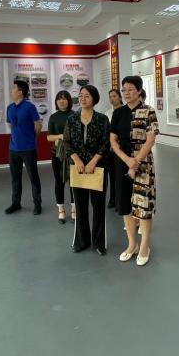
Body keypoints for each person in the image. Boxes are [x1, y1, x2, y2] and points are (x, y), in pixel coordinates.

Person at [110, 75, 158, 266]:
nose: (127, 93)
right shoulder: (118, 112)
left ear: (139, 91)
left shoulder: (149, 111)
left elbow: (151, 139)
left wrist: (135, 161)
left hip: (143, 163)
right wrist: (127, 160)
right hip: (122, 161)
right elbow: (113, 140)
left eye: (131, 89)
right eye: (124, 90)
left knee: (144, 205)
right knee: (125, 205)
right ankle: (132, 244)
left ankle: (144, 245)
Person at [64, 85, 110, 254]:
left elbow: (106, 143)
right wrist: (76, 159)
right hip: (78, 168)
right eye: (81, 95)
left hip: (97, 168)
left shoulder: (102, 119)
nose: (83, 98)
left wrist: (94, 161)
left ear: (94, 99)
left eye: (87, 96)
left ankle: (98, 243)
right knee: (80, 206)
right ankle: (81, 241)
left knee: (98, 206)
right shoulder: (72, 119)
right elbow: (66, 142)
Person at [5, 80, 43, 215]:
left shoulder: (29, 107)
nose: (11, 91)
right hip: (13, 149)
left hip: (28, 149)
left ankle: (37, 204)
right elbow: (10, 125)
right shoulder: (9, 108)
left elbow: (38, 125)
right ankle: (16, 203)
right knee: (15, 178)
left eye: (13, 89)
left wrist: (31, 138)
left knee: (33, 177)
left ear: (20, 92)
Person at [47, 91, 75, 224]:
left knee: (73, 182)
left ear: (69, 101)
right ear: (56, 102)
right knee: (59, 182)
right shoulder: (53, 117)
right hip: (57, 154)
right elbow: (49, 137)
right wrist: (60, 136)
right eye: (59, 99)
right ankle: (61, 210)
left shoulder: (75, 115)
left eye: (64, 99)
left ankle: (74, 209)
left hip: (73, 154)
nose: (61, 101)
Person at [105, 88, 123, 209]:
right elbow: (107, 132)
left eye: (114, 96)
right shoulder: (107, 113)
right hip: (111, 149)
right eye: (110, 97)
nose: (112, 99)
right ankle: (112, 198)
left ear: (120, 97)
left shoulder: (126, 112)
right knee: (112, 175)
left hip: (123, 149)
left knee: (121, 175)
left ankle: (121, 199)